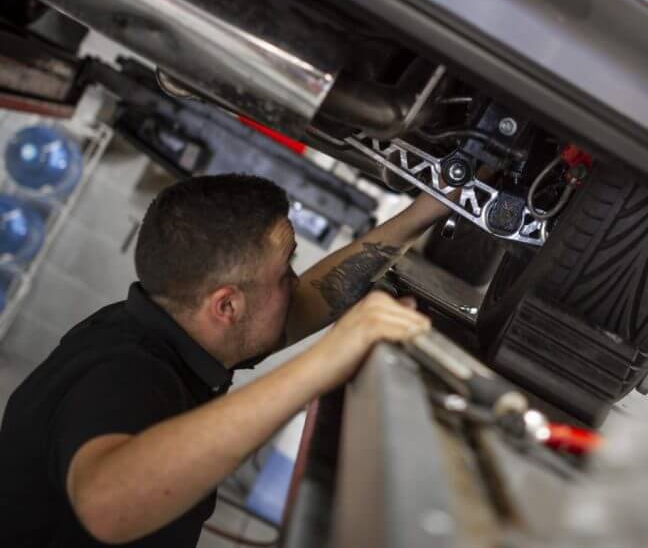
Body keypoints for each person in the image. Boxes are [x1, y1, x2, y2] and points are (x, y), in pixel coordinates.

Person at [0, 173, 451, 546]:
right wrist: (329, 359)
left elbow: (304, 302)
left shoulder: (169, 329)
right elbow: (104, 503)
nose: (295, 283)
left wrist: (426, 211)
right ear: (226, 306)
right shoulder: (124, 374)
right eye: (284, 272)